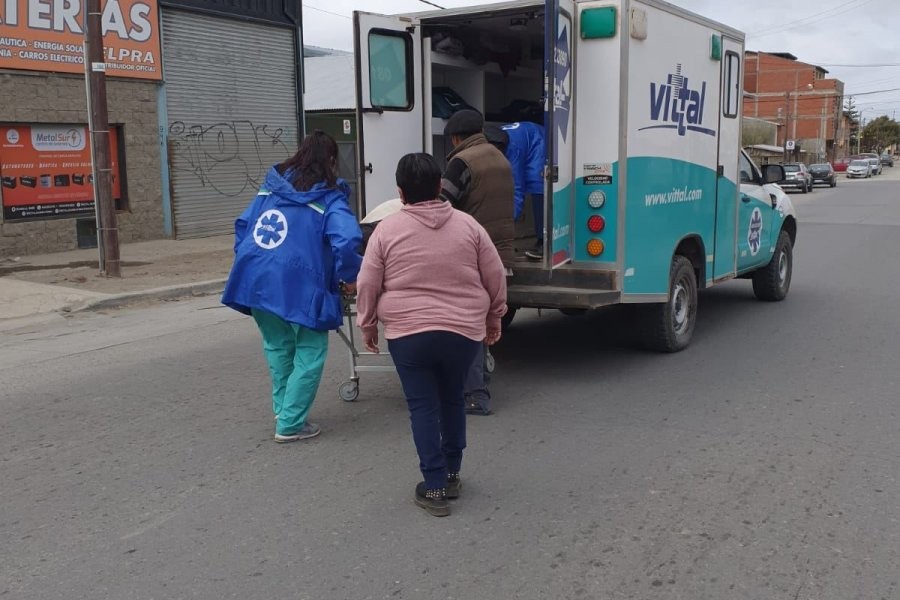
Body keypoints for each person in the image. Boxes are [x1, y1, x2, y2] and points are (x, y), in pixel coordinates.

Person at [356, 153, 507, 517]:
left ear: (400, 193)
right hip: (462, 332)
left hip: (409, 335)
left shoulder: (386, 230)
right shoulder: (469, 226)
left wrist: (368, 323)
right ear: (440, 187)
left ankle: (435, 486)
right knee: (453, 398)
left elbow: (367, 282)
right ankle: (453, 473)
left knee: (422, 406)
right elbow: (495, 274)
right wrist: (494, 316)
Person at [222, 131, 362, 443]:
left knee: (277, 346)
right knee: (310, 351)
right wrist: (351, 274)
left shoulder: (268, 189)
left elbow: (243, 225)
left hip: (256, 277)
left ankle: (283, 409)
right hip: (301, 283)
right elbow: (348, 239)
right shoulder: (329, 198)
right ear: (331, 160)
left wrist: (251, 263)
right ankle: (290, 424)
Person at [439, 109, 515, 416]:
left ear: (456, 137)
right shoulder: (500, 158)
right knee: (480, 319)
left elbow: (441, 205)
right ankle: (479, 378)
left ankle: (476, 395)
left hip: (472, 253)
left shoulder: (462, 162)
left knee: (465, 324)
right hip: (501, 252)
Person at [484, 121, 546, 260]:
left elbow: (517, 189)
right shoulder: (489, 143)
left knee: (538, 185)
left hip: (538, 141)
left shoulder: (512, 150)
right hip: (527, 134)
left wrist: (509, 223)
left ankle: (544, 241)